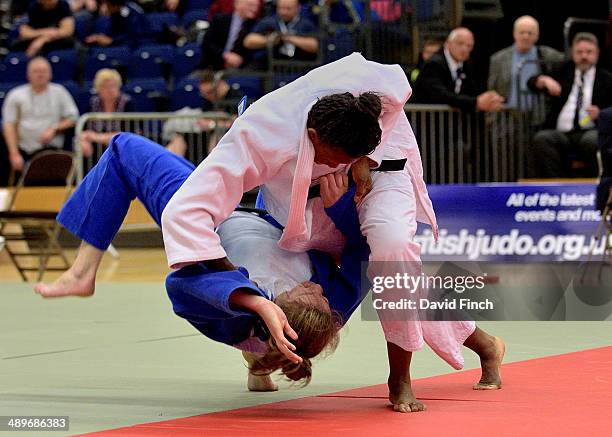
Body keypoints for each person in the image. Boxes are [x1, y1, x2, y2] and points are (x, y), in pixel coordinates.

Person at [36, 132, 503, 399]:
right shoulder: (331, 305)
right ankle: (486, 346)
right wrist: (343, 204)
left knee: (123, 150)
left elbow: (180, 288)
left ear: (287, 309)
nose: (318, 290)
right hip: (268, 214)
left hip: (205, 219)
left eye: (309, 294)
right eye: (320, 295)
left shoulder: (236, 316)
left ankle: (82, 272)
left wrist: (256, 304)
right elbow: (366, 254)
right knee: (399, 269)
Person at [155, 53, 503, 411]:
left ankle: (400, 377)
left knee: (394, 253)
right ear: (312, 136)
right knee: (278, 279)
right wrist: (233, 283)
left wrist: (366, 161)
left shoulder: (376, 88)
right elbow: (187, 209)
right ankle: (486, 344)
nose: (341, 165)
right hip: (300, 196)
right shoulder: (261, 130)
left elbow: (362, 248)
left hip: (384, 168)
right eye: (337, 158)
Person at [527, 32, 612, 178]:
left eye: (589, 52)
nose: (584, 56)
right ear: (573, 53)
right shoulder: (563, 72)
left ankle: (592, 188)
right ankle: (557, 190)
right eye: (579, 52)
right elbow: (531, 83)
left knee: (592, 140)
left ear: (597, 54)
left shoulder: (607, 79)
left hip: (590, 129)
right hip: (562, 132)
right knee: (542, 138)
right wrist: (543, 80)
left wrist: (601, 114)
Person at [1, 57, 79, 173]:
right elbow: (9, 125)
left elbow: (74, 117)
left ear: (50, 74)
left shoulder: (60, 92)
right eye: (36, 71)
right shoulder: (15, 94)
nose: (40, 75)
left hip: (51, 151)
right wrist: (14, 153)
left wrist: (54, 128)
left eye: (43, 71)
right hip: (23, 150)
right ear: (28, 75)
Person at [412, 27, 504, 112]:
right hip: (428, 121)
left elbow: (473, 90)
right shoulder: (433, 64)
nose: (464, 49)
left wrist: (490, 99)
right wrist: (476, 102)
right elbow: (441, 95)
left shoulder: (467, 64)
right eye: (460, 43)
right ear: (447, 43)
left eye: (469, 46)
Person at [488, 15, 564, 110]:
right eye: (522, 32)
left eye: (530, 33)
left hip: (537, 117)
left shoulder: (546, 55)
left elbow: (570, 62)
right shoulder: (498, 59)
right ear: (514, 33)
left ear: (537, 35)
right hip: (507, 116)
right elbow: (491, 89)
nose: (525, 36)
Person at [243, 0, 319, 68]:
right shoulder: (269, 22)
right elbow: (248, 41)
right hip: (269, 65)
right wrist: (268, 40)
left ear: (298, 8)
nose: (284, 12)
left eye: (288, 8)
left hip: (298, 67)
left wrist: (290, 39)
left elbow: (315, 46)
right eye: (281, 8)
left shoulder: (306, 24)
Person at [79, 68, 134, 158]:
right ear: (98, 88)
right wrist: (83, 140)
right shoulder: (93, 103)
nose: (110, 90)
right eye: (105, 86)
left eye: (113, 86)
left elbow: (127, 134)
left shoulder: (127, 103)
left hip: (120, 149)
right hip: (95, 151)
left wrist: (97, 137)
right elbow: (83, 129)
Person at [199, 0, 260, 71]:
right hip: (211, 66)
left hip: (238, 70)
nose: (255, 9)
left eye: (257, 6)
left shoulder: (256, 25)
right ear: (237, 4)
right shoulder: (220, 19)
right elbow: (207, 44)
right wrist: (225, 55)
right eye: (251, 5)